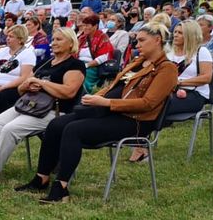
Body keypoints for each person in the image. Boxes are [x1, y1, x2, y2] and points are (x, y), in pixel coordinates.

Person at [17, 23, 179, 203]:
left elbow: (148, 104)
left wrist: (106, 102)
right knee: (55, 124)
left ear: (157, 41)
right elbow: (113, 86)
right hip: (108, 111)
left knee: (73, 129)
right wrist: (96, 98)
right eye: (136, 40)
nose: (137, 45)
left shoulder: (167, 69)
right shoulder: (138, 62)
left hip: (134, 121)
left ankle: (61, 187)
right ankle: (42, 178)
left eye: (141, 40)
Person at [0, 27, 85, 182]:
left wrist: (41, 83)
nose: (53, 43)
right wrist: (27, 86)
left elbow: (69, 92)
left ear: (71, 43)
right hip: (29, 105)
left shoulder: (75, 65)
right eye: (53, 39)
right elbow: (20, 89)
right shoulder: (46, 63)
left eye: (59, 40)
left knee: (9, 129)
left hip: (54, 111)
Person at [77, 11, 117, 92]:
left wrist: (86, 65)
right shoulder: (82, 38)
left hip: (92, 67)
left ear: (95, 26)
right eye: (83, 25)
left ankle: (83, 97)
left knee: (79, 76)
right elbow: (74, 52)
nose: (84, 28)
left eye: (87, 25)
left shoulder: (102, 37)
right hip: (79, 64)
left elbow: (105, 56)